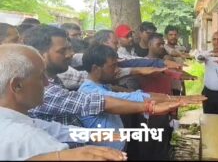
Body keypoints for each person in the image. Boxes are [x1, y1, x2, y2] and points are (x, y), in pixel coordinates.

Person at [22, 25, 181, 128]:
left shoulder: (56, 77)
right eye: (62, 51)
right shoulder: (44, 90)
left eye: (69, 49)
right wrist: (149, 105)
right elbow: (95, 101)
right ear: (40, 55)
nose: (70, 54)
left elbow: (122, 64)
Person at [0, 44, 126, 161]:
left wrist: (107, 135)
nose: (46, 83)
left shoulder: (17, 121)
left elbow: (59, 130)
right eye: (40, 76)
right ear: (17, 85)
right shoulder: (28, 137)